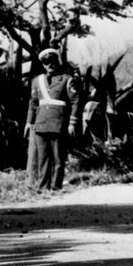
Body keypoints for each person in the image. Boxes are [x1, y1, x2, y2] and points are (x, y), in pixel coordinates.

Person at [25, 48, 82, 191]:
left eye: (52, 62)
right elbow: (33, 103)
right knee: (43, 159)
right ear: (43, 64)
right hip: (41, 123)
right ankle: (43, 188)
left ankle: (56, 187)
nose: (50, 65)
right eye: (46, 62)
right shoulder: (36, 81)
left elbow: (75, 102)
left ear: (57, 62)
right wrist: (29, 122)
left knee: (58, 159)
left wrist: (72, 123)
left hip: (59, 123)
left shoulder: (67, 80)